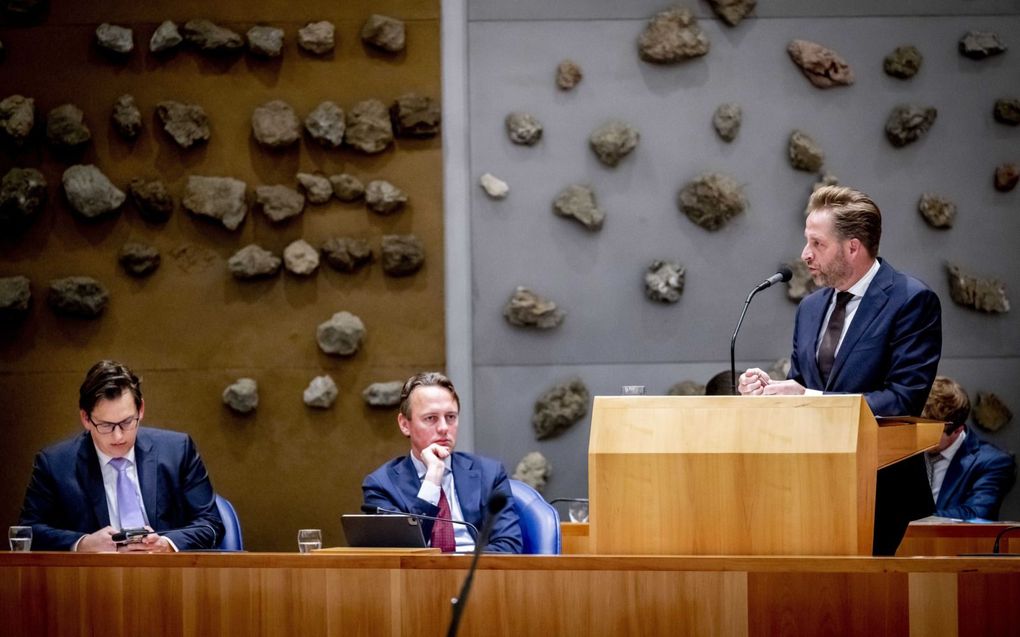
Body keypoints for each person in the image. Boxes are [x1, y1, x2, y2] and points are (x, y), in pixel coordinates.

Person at [738, 185, 943, 554]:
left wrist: (810, 397)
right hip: (807, 484)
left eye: (818, 244)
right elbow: (805, 384)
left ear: (853, 247)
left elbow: (903, 399)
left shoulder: (911, 300)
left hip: (878, 489)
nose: (805, 255)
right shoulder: (811, 307)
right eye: (806, 241)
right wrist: (771, 390)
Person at [19, 360, 223, 551]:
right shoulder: (55, 464)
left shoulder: (178, 451)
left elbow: (211, 523)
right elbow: (28, 531)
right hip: (91, 580)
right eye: (106, 425)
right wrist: (82, 543)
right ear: (86, 418)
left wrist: (167, 544)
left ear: (141, 409)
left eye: (126, 422)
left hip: (167, 577)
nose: (118, 436)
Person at [361, 372, 523, 553]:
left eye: (451, 417)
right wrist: (432, 480)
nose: (444, 428)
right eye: (431, 418)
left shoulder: (489, 474)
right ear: (405, 424)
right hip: (415, 579)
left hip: (477, 576)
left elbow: (509, 546)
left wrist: (456, 569)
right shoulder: (382, 485)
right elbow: (400, 554)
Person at [922, 376, 1016, 520]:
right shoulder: (902, 448)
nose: (919, 439)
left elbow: (977, 514)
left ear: (957, 430)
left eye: (929, 435)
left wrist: (908, 520)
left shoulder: (994, 462)